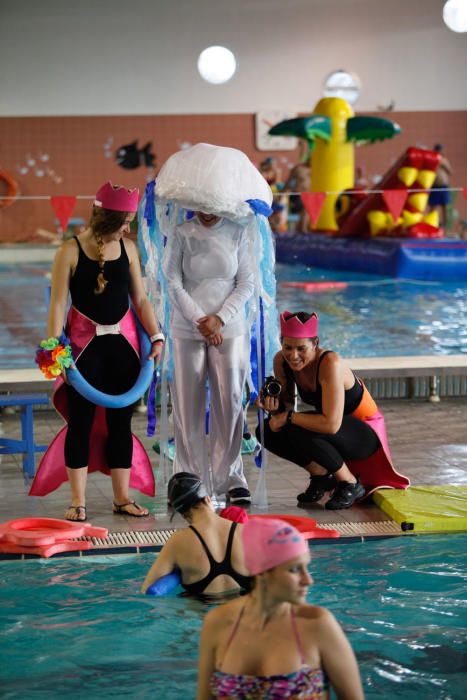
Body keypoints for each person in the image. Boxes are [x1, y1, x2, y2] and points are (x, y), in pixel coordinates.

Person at [30, 182, 163, 521]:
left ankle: (122, 497)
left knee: (121, 424)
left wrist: (157, 336)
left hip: (126, 353)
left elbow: (141, 300)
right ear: (108, 219)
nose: (128, 228)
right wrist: (54, 349)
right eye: (125, 222)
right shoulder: (70, 251)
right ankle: (77, 501)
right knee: (81, 425)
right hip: (83, 354)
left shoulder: (129, 249)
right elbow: (58, 304)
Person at [197, 517, 364, 700]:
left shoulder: (318, 625)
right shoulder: (218, 622)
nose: (308, 580)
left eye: (306, 567)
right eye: (294, 570)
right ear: (262, 573)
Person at [256, 311, 409, 509]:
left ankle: (350, 483)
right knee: (267, 430)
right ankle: (320, 476)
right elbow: (284, 411)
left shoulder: (330, 363)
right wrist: (273, 408)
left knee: (302, 425)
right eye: (288, 347)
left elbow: (330, 424)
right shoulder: (282, 361)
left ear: (315, 343)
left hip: (365, 435)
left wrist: (288, 417)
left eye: (301, 348)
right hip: (334, 430)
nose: (293, 355)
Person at [163, 209, 255, 505]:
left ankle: (230, 477)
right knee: (187, 405)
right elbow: (173, 282)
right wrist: (201, 320)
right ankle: (188, 478)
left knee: (229, 403)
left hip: (230, 329)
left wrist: (221, 318)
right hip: (187, 328)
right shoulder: (181, 232)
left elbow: (246, 284)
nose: (207, 210)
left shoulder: (238, 231)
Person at [141, 472, 251, 596]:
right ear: (207, 498)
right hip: (244, 611)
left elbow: (148, 590)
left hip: (201, 613)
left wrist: (178, 574)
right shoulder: (245, 532)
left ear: (182, 513)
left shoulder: (178, 542)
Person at [428, 144, 452, 230]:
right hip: (435, 187)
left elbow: (450, 172)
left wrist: (443, 164)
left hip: (444, 186)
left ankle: (446, 228)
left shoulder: (445, 160)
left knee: (445, 208)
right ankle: (431, 226)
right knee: (433, 208)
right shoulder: (431, 160)